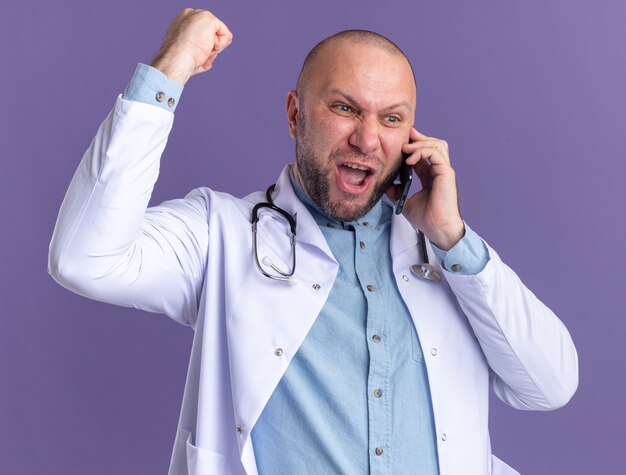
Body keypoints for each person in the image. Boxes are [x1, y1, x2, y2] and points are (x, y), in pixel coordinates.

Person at [48, 8, 578, 475]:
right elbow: (83, 258)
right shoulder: (223, 234)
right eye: (345, 108)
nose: (368, 139)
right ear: (295, 114)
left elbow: (550, 384)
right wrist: (171, 69)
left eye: (391, 119)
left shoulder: (444, 256)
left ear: (412, 138)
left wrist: (453, 239)